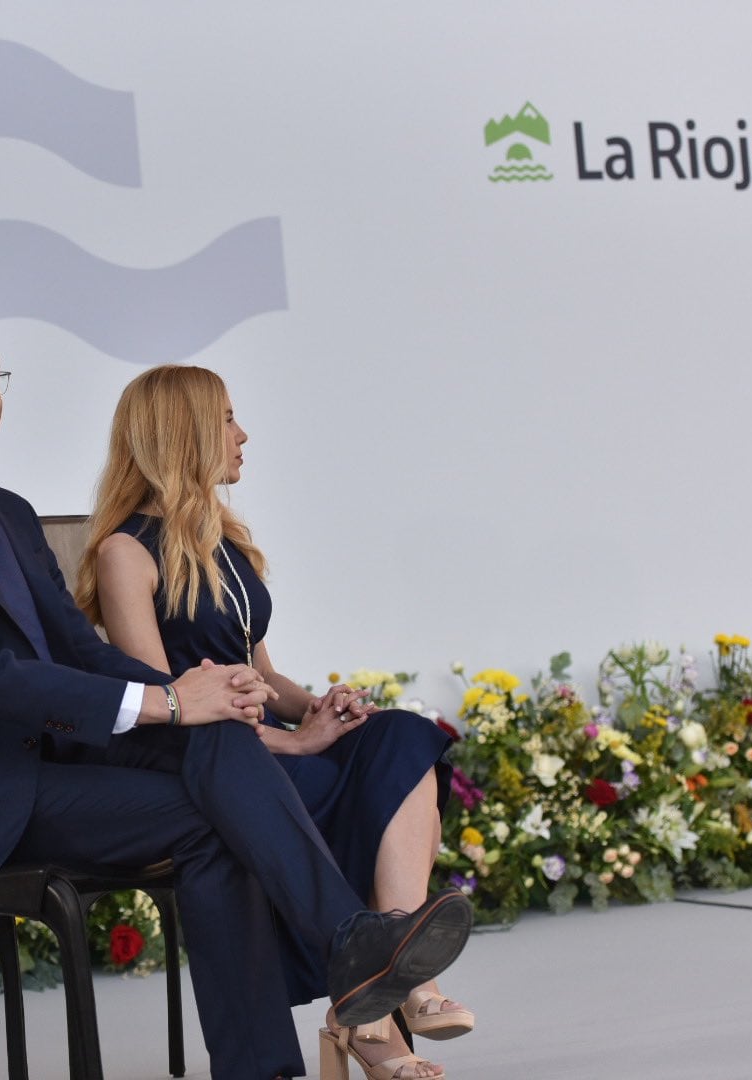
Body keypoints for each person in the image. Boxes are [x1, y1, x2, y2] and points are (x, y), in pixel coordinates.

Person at [0, 311, 472, 1080]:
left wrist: (198, 695)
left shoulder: (6, 514)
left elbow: (77, 650)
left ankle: (333, 972)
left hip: (55, 771)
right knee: (213, 794)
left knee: (222, 755)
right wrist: (168, 704)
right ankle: (346, 957)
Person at [76, 364, 473, 1080]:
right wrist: (292, 739)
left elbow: (264, 673)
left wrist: (320, 709)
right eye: (227, 419)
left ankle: (395, 974)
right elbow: (169, 707)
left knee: (402, 733)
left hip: (263, 745)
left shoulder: (226, 542)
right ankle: (378, 1002)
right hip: (210, 758)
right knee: (297, 768)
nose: (242, 434)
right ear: (184, 432)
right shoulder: (123, 553)